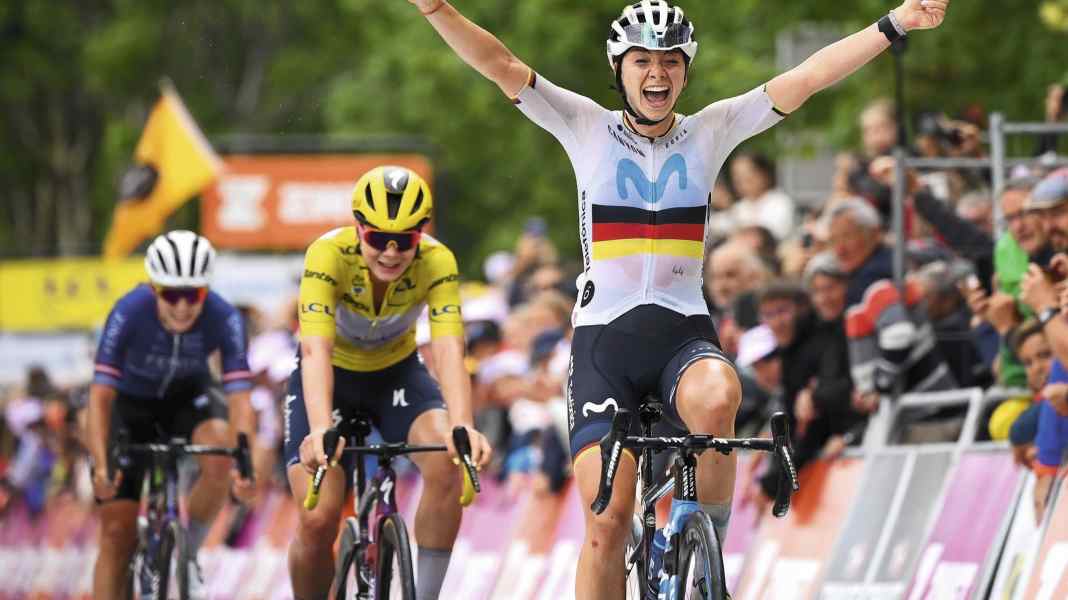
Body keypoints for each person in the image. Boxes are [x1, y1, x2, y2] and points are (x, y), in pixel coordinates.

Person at [406, 0, 950, 597]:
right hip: (603, 348)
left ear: (686, 71)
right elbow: (501, 63)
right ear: (619, 68)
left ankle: (703, 557)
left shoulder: (711, 129)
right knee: (606, 523)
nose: (656, 74)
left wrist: (895, 22)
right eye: (641, 60)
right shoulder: (583, 124)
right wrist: (436, 9)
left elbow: (810, 77)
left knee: (721, 395)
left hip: (682, 337)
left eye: (670, 61)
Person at [284, 165, 492, 600]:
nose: (391, 253)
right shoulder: (327, 255)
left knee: (447, 460)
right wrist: (321, 428)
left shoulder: (438, 261)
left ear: (422, 235)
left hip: (396, 372)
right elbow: (315, 350)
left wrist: (464, 423)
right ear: (358, 228)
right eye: (379, 239)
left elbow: (449, 347)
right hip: (332, 377)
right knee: (318, 518)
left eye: (406, 240)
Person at [87, 230, 255, 600]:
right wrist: (101, 466)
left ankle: (189, 552)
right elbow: (99, 396)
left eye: (192, 295)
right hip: (130, 407)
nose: (182, 307)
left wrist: (245, 465)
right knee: (116, 533)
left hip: (188, 399)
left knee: (217, 453)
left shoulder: (224, 317)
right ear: (153, 287)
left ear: (206, 291)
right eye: (171, 295)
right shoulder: (129, 311)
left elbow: (240, 398)